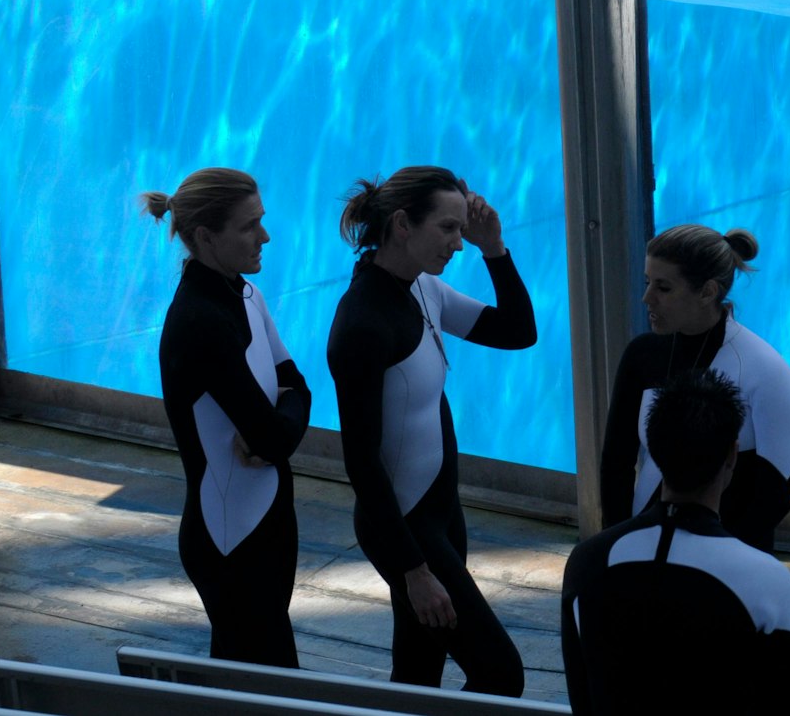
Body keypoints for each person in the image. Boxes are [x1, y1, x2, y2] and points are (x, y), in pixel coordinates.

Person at [325, 166, 536, 695]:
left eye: (462, 230)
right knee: (499, 671)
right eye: (448, 229)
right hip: (405, 529)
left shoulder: (424, 290)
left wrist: (496, 250)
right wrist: (414, 570)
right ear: (402, 224)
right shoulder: (363, 323)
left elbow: (518, 332)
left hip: (442, 514)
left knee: (417, 673)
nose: (458, 244)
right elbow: (361, 462)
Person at [564, 369, 790, 715]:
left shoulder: (586, 562)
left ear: (653, 448)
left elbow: (583, 697)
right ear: (731, 455)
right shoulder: (768, 581)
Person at [146, 167, 310, 668]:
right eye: (248, 226)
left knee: (259, 685)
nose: (264, 236)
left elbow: (296, 385)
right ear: (204, 236)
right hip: (230, 541)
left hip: (268, 524)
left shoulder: (245, 294)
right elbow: (274, 435)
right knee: (270, 686)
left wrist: (283, 413)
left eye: (261, 220)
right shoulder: (200, 321)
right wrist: (281, 417)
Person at [600, 225, 790, 552]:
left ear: (708, 291)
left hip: (731, 561)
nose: (646, 298)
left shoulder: (768, 372)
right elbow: (616, 463)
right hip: (644, 550)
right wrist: (618, 545)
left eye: (663, 288)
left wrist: (710, 562)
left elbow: (773, 499)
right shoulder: (641, 354)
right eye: (647, 282)